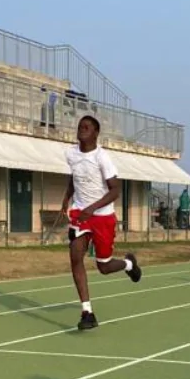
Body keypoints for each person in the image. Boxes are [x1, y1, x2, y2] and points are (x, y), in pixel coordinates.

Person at [62, 116, 142, 330]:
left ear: (96, 133)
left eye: (87, 127)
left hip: (103, 216)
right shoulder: (70, 153)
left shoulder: (102, 157)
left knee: (104, 267)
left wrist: (93, 208)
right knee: (75, 255)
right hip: (80, 213)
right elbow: (74, 177)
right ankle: (87, 312)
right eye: (80, 127)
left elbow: (115, 190)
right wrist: (66, 198)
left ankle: (129, 264)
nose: (82, 130)